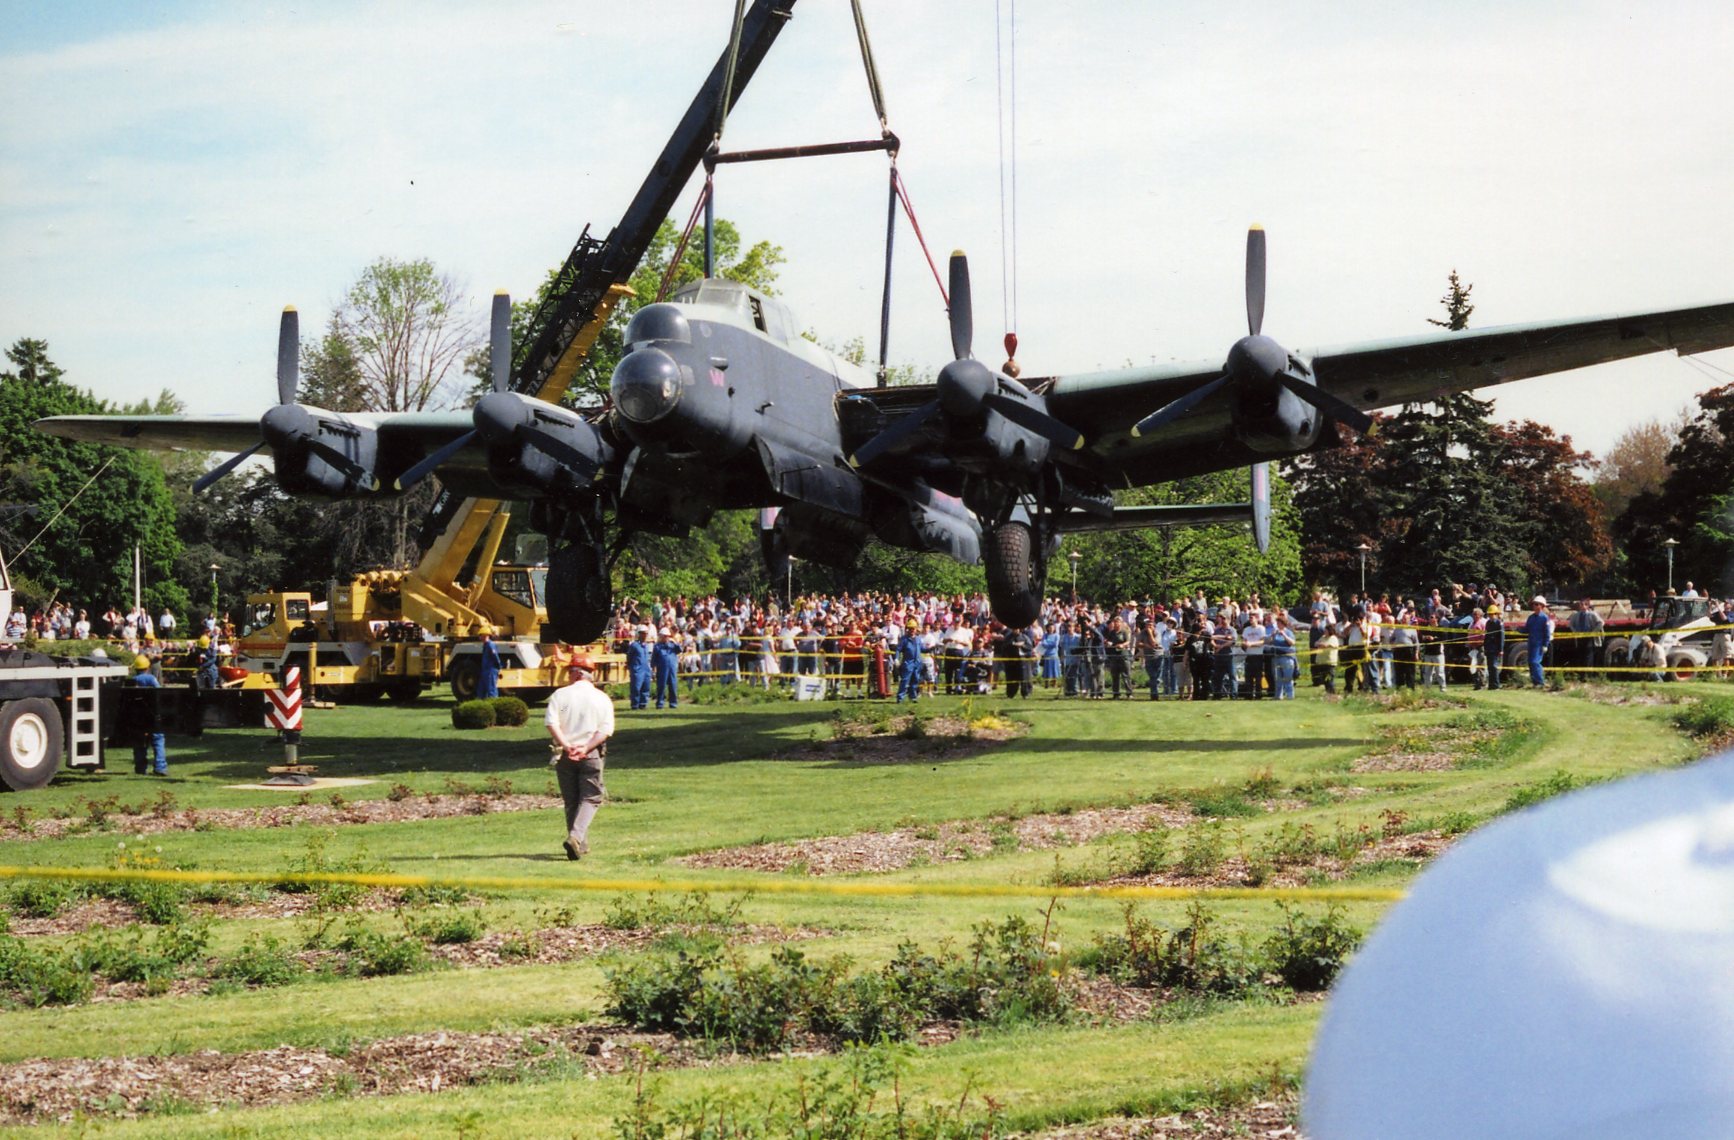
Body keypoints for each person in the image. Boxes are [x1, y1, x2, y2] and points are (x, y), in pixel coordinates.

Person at [545, 654, 615, 861]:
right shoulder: (601, 698)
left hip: (564, 753)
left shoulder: (561, 696)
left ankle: (579, 844)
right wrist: (586, 747)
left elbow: (552, 723)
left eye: (569, 671)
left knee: (572, 799)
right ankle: (576, 838)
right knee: (591, 797)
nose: (568, 675)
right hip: (590, 752)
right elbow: (604, 730)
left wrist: (567, 746)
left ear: (576, 673)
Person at [129, 654, 168, 776]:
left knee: (139, 742)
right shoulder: (151, 679)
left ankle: (140, 768)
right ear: (147, 667)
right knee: (158, 740)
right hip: (152, 714)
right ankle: (160, 767)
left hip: (138, 716)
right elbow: (159, 693)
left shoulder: (133, 680)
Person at [1568, 599, 1605, 682]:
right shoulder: (1576, 615)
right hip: (1580, 637)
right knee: (1581, 656)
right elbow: (1570, 624)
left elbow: (1601, 623)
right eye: (1581, 604)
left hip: (1589, 638)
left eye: (1584, 604)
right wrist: (1575, 632)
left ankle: (1588, 676)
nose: (1582, 606)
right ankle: (1581, 675)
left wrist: (1593, 632)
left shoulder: (1592, 614)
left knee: (1588, 657)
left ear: (1587, 606)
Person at [1524, 595, 1554, 688]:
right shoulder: (1531, 617)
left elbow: (1547, 633)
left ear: (1542, 606)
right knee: (1531, 663)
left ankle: (1540, 682)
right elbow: (1526, 629)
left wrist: (1545, 645)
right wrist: (1517, 629)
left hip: (1539, 644)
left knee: (1535, 662)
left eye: (1537, 604)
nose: (1535, 606)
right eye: (1534, 604)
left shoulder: (1544, 618)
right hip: (1531, 643)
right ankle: (1535, 682)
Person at [895, 620, 925, 702]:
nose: (912, 630)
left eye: (913, 628)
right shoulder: (904, 639)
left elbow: (922, 649)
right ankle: (900, 697)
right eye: (910, 628)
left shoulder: (918, 639)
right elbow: (898, 649)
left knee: (915, 680)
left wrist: (931, 648)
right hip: (908, 663)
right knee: (905, 680)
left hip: (917, 663)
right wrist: (896, 658)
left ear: (916, 629)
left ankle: (913, 697)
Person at [651, 627, 680, 709]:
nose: (666, 638)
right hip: (662, 669)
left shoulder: (672, 645)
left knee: (673, 685)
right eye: (664, 636)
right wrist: (653, 670)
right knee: (661, 686)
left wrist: (675, 641)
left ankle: (673, 703)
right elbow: (654, 659)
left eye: (667, 636)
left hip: (672, 668)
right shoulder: (657, 646)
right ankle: (660, 703)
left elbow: (680, 650)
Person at [624, 627, 652, 710]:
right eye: (643, 633)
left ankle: (643, 704)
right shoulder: (634, 645)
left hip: (646, 669)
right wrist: (632, 667)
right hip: (637, 669)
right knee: (636, 687)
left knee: (646, 687)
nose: (645, 635)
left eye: (646, 633)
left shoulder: (646, 646)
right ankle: (635, 704)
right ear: (639, 634)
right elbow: (629, 657)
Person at [1484, 604, 1506, 690]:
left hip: (1495, 648)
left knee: (1494, 667)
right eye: (1489, 614)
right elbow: (1486, 636)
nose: (1490, 616)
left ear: (1496, 614)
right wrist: (1485, 647)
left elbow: (1501, 637)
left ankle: (1496, 685)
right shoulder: (1488, 623)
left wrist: (1501, 649)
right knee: (1490, 667)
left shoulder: (1499, 623)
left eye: (1492, 614)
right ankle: (1491, 685)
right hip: (1489, 648)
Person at [476, 632, 501, 699]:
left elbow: (495, 656)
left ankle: (494, 702)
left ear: (487, 636)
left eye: (482, 636)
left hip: (491, 670)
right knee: (481, 690)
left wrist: (498, 665)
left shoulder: (490, 645)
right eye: (481, 636)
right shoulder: (485, 645)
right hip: (485, 670)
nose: (481, 638)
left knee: (491, 690)